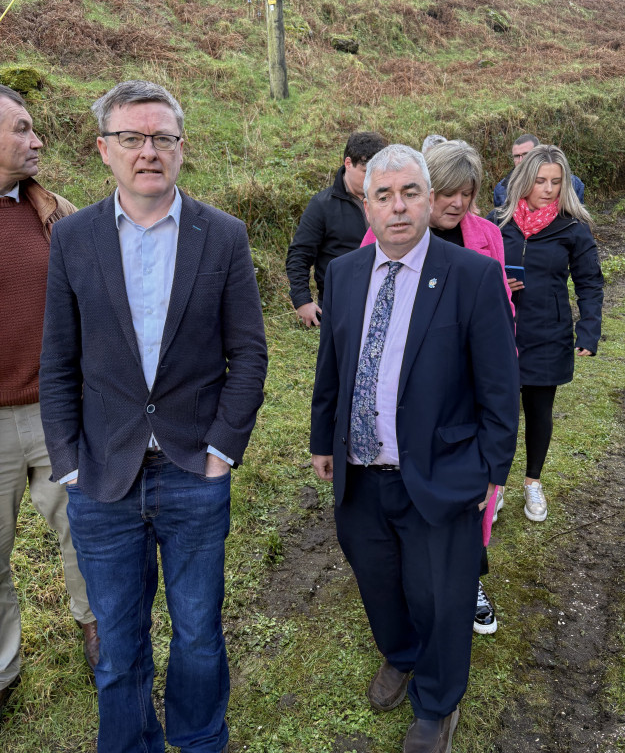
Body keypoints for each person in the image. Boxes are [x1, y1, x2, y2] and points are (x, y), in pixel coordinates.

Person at [39, 81, 268, 753]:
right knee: (117, 642)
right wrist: (70, 463)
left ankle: (199, 740)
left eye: (162, 138)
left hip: (193, 472)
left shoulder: (222, 235)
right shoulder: (73, 238)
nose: (148, 152)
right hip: (102, 479)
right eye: (132, 138)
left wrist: (222, 450)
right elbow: (57, 362)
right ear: (104, 149)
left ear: (181, 149)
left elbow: (248, 353)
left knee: (199, 631)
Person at [311, 144, 519, 753]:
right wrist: (323, 437)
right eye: (384, 196)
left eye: (410, 194)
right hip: (359, 470)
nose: (398, 207)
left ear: (430, 201)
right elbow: (332, 367)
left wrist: (490, 469)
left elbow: (500, 386)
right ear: (366, 204)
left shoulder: (471, 277)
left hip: (440, 472)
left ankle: (437, 698)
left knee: (442, 594)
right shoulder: (345, 274)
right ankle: (400, 655)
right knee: (377, 580)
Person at [361, 139, 512, 636]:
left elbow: (499, 306)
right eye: (449, 192)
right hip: (413, 402)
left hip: (468, 390)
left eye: (467, 194)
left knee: (467, 505)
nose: (457, 204)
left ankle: (469, 581)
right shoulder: (388, 238)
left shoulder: (485, 238)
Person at [0, 85, 98, 718]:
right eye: (23, 130)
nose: (38, 141)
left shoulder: (53, 211)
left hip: (57, 410)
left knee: (87, 532)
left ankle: (99, 633)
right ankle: (2, 670)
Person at [489, 144, 603, 522]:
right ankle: (496, 485)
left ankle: (532, 483)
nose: (549, 188)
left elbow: (589, 281)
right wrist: (498, 284)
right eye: (540, 181)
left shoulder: (572, 226)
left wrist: (589, 329)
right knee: (500, 412)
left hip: (548, 333)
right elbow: (472, 268)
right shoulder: (498, 222)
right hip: (499, 332)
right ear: (524, 180)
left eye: (556, 181)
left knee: (539, 411)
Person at [286, 131, 387, 327]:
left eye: (379, 173)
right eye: (367, 172)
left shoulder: (388, 200)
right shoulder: (322, 205)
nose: (374, 180)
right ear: (348, 163)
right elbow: (299, 254)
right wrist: (302, 300)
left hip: (385, 299)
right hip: (339, 306)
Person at [493, 134, 585, 207]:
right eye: (517, 156)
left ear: (539, 153)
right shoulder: (501, 189)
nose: (521, 160)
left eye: (526, 154)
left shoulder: (573, 184)